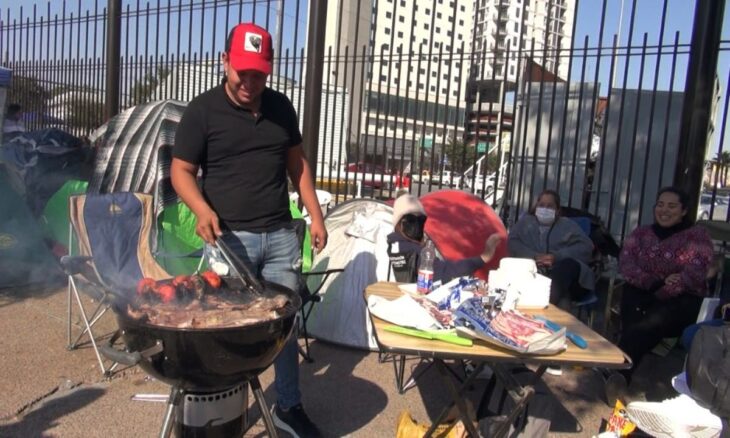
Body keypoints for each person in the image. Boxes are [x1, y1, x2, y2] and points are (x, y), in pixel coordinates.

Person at [171, 23, 326, 438]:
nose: (249, 82)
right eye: (242, 72)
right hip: (229, 242)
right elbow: (180, 171)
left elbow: (298, 165)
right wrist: (201, 208)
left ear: (269, 68)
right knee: (226, 328)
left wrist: (315, 214)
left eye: (258, 73)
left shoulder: (281, 108)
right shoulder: (203, 111)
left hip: (279, 237)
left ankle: (288, 408)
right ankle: (226, 412)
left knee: (283, 327)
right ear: (225, 62)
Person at [605, 187, 714, 404]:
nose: (664, 210)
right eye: (660, 204)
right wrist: (656, 282)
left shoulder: (697, 237)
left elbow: (692, 275)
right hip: (643, 291)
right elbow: (627, 263)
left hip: (680, 300)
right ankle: (618, 373)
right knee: (634, 304)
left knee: (651, 318)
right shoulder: (641, 234)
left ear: (684, 211)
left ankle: (617, 371)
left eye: (672, 206)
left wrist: (662, 290)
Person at [507, 189, 595, 308]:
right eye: (542, 205)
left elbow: (586, 247)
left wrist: (557, 257)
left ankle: (546, 303)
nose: (545, 209)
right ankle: (554, 305)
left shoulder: (568, 225)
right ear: (536, 207)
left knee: (567, 266)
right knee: (563, 300)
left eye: (550, 206)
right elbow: (512, 242)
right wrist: (534, 256)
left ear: (557, 210)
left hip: (566, 277)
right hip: (534, 274)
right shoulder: (525, 223)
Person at [386, 193, 501, 283]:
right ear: (399, 223)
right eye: (411, 220)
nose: (416, 224)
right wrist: (483, 258)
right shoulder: (413, 251)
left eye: (421, 220)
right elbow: (445, 272)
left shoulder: (393, 244)